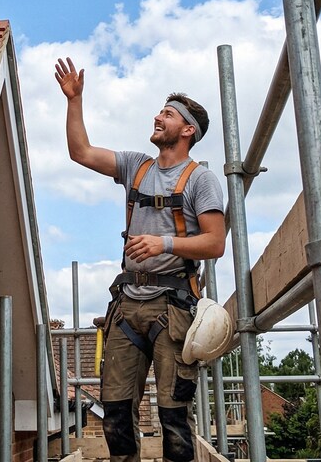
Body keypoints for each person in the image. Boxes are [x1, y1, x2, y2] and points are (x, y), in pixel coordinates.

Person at [54, 57, 225, 462]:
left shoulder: (200, 180)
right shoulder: (136, 166)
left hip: (173, 306)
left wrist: (163, 244)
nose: (157, 117)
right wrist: (74, 100)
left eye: (167, 114)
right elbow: (80, 152)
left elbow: (215, 243)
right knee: (114, 412)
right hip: (127, 305)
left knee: (172, 415)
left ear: (187, 130)